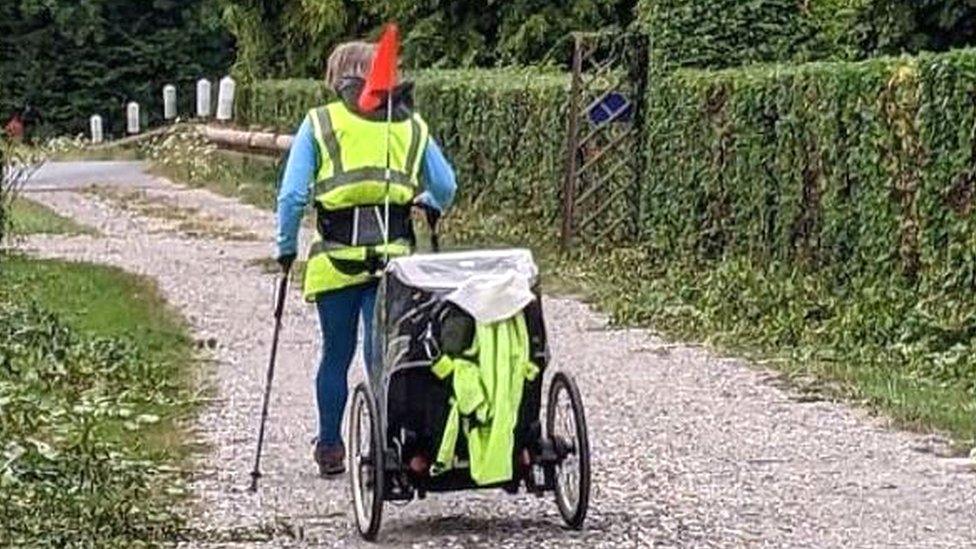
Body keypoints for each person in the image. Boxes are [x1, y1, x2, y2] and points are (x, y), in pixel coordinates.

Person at [275, 41, 457, 477]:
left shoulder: (320, 123)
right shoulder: (411, 125)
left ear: (338, 78)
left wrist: (285, 246)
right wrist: (426, 200)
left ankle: (331, 447)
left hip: (336, 260)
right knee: (384, 358)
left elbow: (293, 195)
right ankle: (387, 447)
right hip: (394, 265)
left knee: (336, 354)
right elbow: (446, 187)